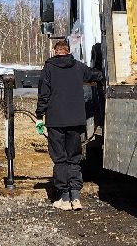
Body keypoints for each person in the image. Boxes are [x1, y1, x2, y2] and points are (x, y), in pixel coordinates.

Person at [35, 38, 105, 211]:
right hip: (76, 120)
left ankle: (64, 198)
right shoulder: (78, 66)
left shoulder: (49, 68)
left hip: (56, 121)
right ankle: (75, 196)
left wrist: (39, 115)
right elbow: (96, 75)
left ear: (54, 51)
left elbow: (43, 94)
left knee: (60, 159)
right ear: (68, 51)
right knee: (74, 158)